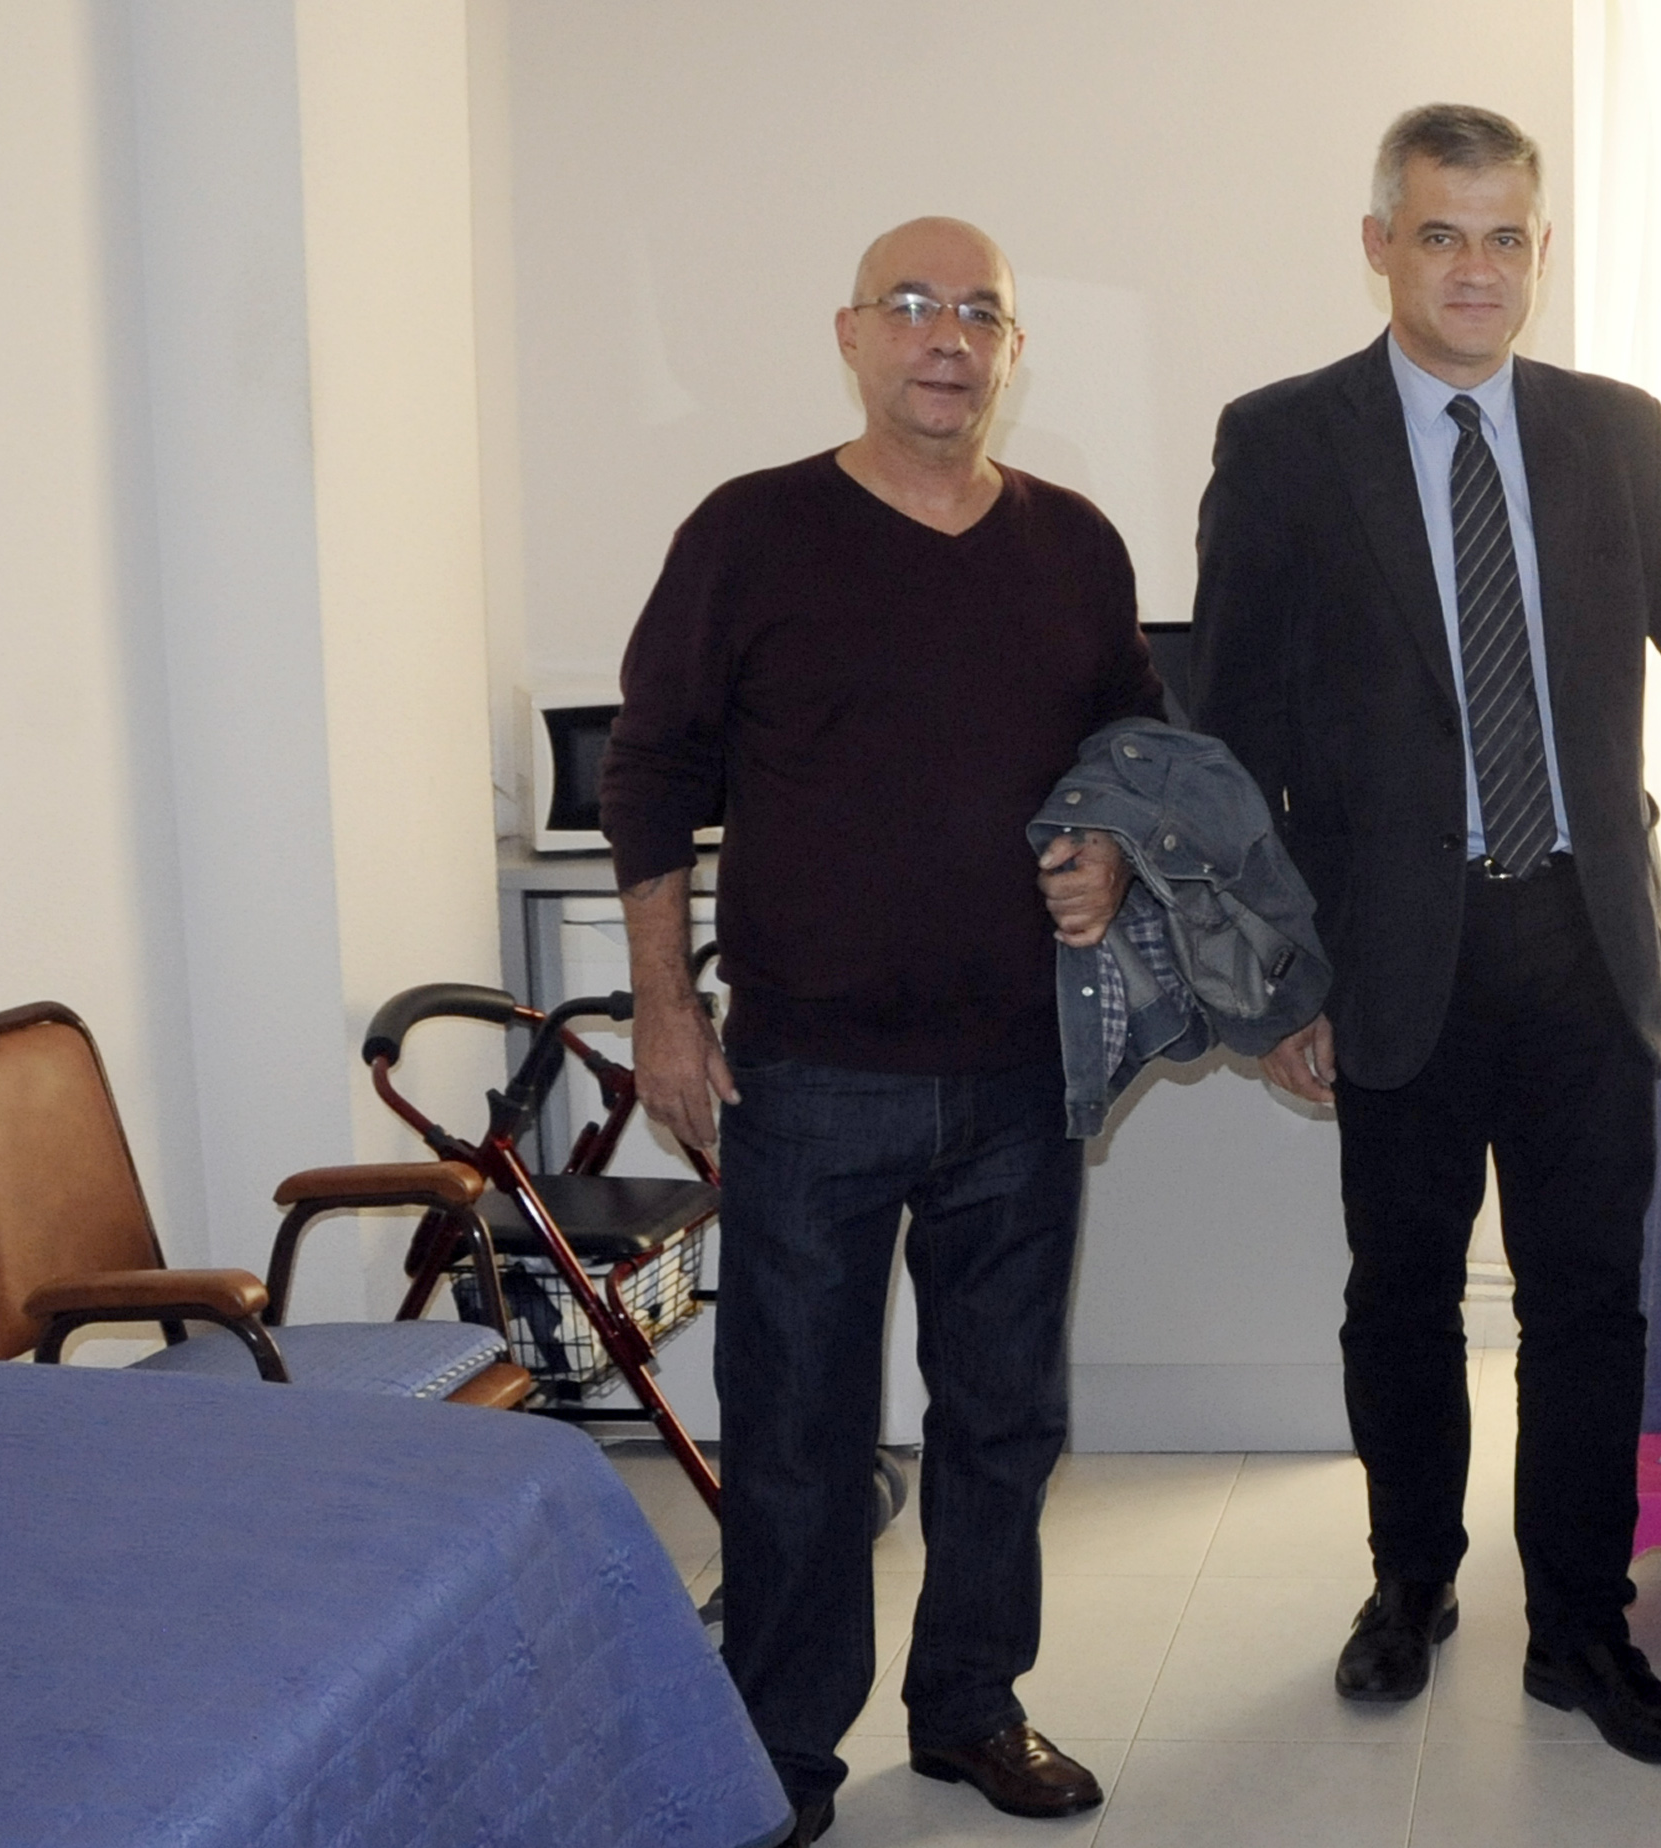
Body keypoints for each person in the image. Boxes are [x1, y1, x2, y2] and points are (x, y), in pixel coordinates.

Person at [1188, 102, 1661, 1767]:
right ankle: (1409, 1583)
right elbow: (1234, 730)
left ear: (1539, 251)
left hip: (1583, 940)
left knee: (1585, 1307)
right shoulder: (1283, 440)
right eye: (1439, 234)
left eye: (1503, 238)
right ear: (1379, 245)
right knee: (1402, 1295)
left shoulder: (1612, 433)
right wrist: (1269, 981)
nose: (1474, 269)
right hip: (1388, 953)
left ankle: (1580, 1629)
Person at [601, 217, 1159, 1844]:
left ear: (1013, 351)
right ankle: (780, 1751)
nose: (946, 336)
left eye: (980, 311)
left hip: (1022, 1075)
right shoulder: (750, 533)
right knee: (797, 1434)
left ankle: (971, 1706)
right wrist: (662, 1005)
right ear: (850, 335)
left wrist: (1115, 854)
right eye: (912, 305)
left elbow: (1134, 757)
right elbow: (651, 770)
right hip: (808, 1074)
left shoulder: (1076, 548)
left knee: (1003, 1419)